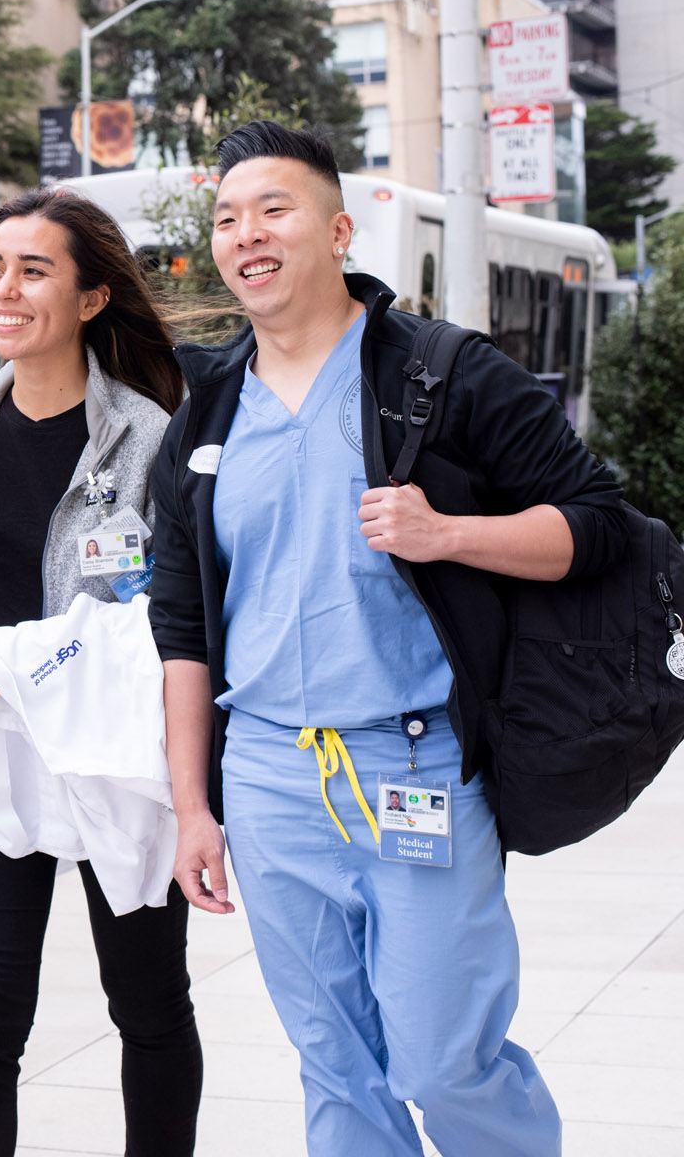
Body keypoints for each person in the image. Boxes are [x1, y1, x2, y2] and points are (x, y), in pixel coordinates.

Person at [151, 121, 627, 1156]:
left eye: (273, 208)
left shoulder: (443, 373)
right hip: (271, 774)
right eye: (227, 218)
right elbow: (182, 621)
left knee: (441, 1060)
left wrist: (448, 531)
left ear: (336, 227)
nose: (247, 234)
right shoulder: (208, 409)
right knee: (338, 1069)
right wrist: (194, 804)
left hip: (415, 764)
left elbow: (595, 526)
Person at [0, 187, 202, 1156]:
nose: (5, 289)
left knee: (146, 1002)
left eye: (34, 269)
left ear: (93, 297)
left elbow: (159, 610)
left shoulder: (147, 435)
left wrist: (18, 663)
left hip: (113, 754)